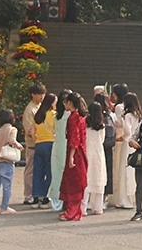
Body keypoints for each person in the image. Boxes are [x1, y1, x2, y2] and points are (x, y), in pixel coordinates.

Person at [58, 92, 89, 221]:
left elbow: (74, 139)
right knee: (75, 180)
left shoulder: (73, 118)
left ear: (70, 103)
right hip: (81, 152)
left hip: (75, 153)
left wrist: (71, 156)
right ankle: (75, 210)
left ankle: (72, 211)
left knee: (72, 181)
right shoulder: (80, 117)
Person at [0, 109, 24, 215]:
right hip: (6, 160)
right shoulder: (12, 129)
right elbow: (12, 140)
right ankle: (4, 207)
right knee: (7, 185)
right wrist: (19, 146)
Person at [117, 92, 142, 210]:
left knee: (125, 171)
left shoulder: (128, 115)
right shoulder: (139, 115)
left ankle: (125, 200)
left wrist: (123, 137)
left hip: (128, 143)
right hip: (136, 142)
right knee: (135, 172)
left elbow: (127, 131)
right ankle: (135, 198)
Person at [82, 100, 108, 216]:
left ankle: (83, 207)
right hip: (98, 152)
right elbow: (102, 140)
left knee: (86, 179)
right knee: (98, 177)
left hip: (86, 151)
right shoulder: (101, 125)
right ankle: (97, 207)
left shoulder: (84, 123)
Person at [22, 83, 46, 205]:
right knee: (30, 170)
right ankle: (28, 195)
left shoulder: (41, 107)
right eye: (39, 94)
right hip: (33, 144)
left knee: (39, 170)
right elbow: (29, 130)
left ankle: (38, 193)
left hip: (41, 143)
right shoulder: (29, 110)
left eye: (43, 94)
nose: (42, 96)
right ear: (33, 95)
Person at [32, 93, 57, 209]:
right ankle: (45, 198)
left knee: (38, 172)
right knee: (49, 172)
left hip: (38, 144)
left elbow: (33, 132)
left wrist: (36, 140)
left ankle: (36, 198)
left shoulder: (37, 115)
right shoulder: (53, 115)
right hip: (50, 144)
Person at [108, 83, 130, 208]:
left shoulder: (118, 107)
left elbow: (119, 123)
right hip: (124, 140)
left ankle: (118, 196)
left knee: (117, 168)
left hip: (118, 138)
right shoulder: (128, 106)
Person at [49, 89, 71, 212]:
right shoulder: (69, 116)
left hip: (57, 145)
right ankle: (65, 198)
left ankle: (56, 200)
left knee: (56, 173)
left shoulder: (57, 116)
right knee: (64, 172)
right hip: (65, 145)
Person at [95, 92, 115, 209]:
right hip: (107, 147)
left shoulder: (93, 114)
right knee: (106, 171)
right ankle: (104, 196)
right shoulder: (108, 115)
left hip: (97, 146)